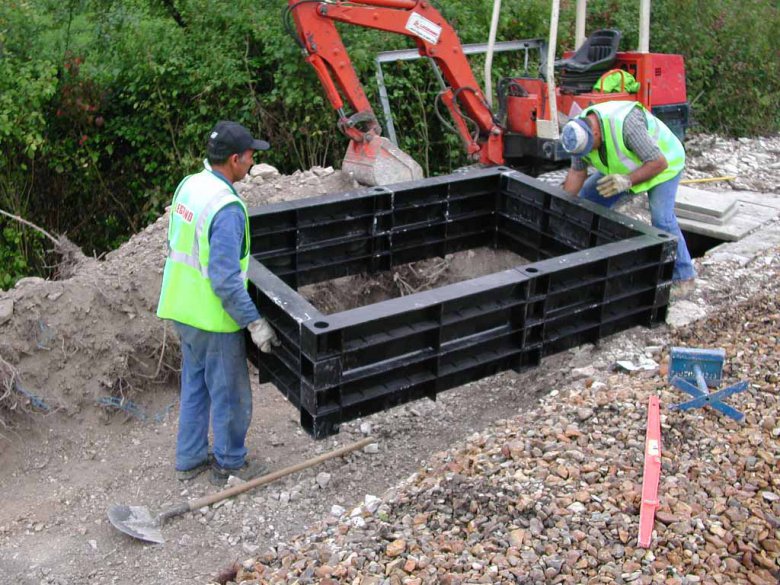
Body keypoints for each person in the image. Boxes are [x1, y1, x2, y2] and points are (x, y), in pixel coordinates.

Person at [157, 121, 280, 485]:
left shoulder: (191, 185)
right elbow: (225, 280)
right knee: (230, 395)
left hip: (182, 307)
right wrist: (254, 323)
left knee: (196, 386)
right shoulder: (226, 208)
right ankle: (230, 463)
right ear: (234, 159)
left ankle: (190, 458)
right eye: (250, 156)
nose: (253, 161)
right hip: (213, 318)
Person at [560, 101, 696, 293]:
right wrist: (563, 206)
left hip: (664, 164)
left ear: (596, 134)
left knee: (662, 219)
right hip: (624, 168)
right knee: (587, 201)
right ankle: (582, 253)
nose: (588, 153)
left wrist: (627, 181)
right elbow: (577, 173)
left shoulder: (626, 125)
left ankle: (684, 277)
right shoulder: (578, 133)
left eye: (590, 148)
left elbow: (659, 163)